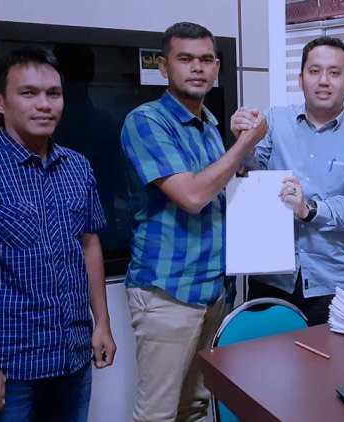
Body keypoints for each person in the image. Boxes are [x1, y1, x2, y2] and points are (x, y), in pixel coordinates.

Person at [0, 46, 116, 421]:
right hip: (9, 367)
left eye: (53, 93)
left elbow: (89, 243)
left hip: (73, 356)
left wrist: (103, 324)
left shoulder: (78, 167)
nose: (44, 105)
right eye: (28, 93)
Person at [120, 22, 266, 421]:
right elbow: (193, 197)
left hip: (211, 290)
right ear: (164, 66)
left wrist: (243, 153)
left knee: (197, 405)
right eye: (185, 59)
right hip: (168, 291)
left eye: (205, 59)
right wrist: (245, 144)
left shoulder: (210, 126)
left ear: (217, 67)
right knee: (158, 413)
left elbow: (222, 187)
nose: (197, 67)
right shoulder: (146, 121)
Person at [231, 36, 344, 326]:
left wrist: (309, 209)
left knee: (330, 357)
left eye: (334, 72)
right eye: (314, 71)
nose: (323, 81)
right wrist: (244, 141)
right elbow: (251, 175)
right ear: (301, 79)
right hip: (271, 277)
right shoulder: (273, 121)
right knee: (265, 355)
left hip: (334, 283)